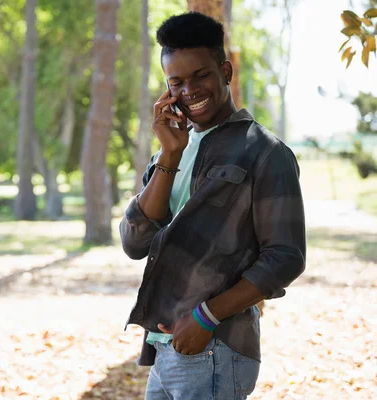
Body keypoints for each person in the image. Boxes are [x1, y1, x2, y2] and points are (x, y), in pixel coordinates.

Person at [119, 12, 306, 400]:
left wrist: (207, 317)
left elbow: (286, 257)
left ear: (225, 71)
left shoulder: (265, 153)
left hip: (215, 348)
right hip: (164, 348)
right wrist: (170, 154)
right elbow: (134, 243)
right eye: (177, 82)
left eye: (200, 75)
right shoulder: (169, 152)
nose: (189, 90)